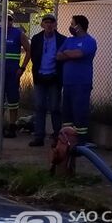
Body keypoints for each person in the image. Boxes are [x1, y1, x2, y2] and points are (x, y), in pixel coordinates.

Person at [0, 10, 30, 138]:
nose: (8, 21)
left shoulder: (19, 33)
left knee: (13, 99)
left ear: (13, 20)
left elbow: (29, 51)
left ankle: (12, 126)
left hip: (12, 73)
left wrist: (22, 68)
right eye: (5, 19)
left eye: (10, 19)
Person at [56, 15, 97, 145]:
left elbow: (79, 54)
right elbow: (58, 56)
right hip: (67, 83)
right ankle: (67, 141)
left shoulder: (90, 41)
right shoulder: (69, 40)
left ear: (78, 26)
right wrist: (71, 53)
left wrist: (67, 53)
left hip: (82, 84)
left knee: (80, 113)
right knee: (67, 115)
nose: (70, 26)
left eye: (72, 23)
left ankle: (81, 143)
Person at [28, 13, 66, 147]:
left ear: (55, 24)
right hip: (40, 77)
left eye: (51, 22)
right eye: (46, 22)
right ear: (42, 24)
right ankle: (39, 137)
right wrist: (37, 73)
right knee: (39, 107)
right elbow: (33, 56)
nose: (49, 25)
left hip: (54, 77)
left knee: (55, 108)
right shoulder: (36, 38)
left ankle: (57, 137)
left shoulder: (62, 39)